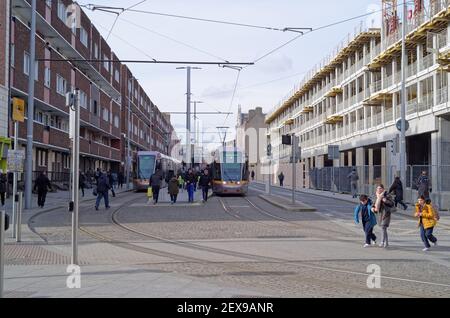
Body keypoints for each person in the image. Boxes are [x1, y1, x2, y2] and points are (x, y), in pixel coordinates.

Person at [371, 184, 395, 248]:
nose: (378, 190)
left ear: (383, 189)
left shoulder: (387, 195)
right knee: (384, 229)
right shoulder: (376, 196)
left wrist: (386, 201)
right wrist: (372, 208)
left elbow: (392, 203)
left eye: (380, 188)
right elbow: (373, 204)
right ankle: (386, 243)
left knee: (383, 227)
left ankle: (382, 242)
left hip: (386, 213)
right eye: (377, 188)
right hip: (379, 214)